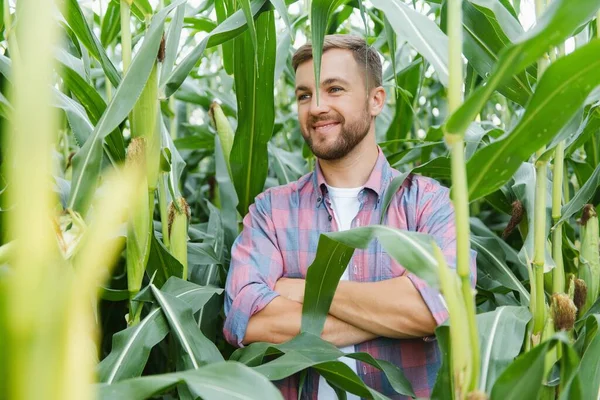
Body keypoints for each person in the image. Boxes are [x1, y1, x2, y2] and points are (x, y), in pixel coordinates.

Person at [223, 34, 477, 399]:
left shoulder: (427, 204)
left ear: (376, 100)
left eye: (335, 89)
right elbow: (245, 321)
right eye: (304, 95)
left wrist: (299, 289)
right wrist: (390, 317)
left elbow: (442, 306)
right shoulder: (271, 212)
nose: (316, 107)